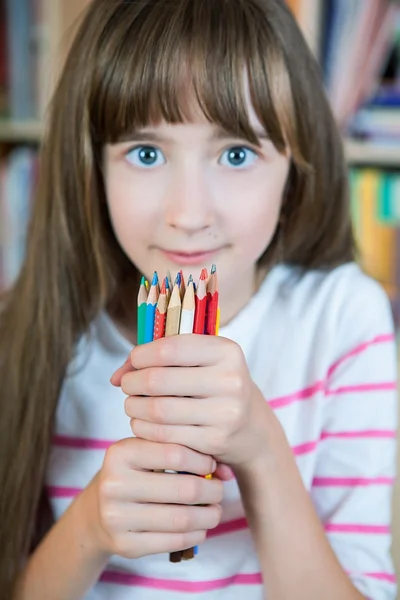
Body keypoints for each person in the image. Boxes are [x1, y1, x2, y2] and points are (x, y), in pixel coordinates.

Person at [0, 0, 397, 598]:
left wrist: (262, 451)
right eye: (146, 153)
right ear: (92, 167)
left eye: (237, 154)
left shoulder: (343, 319)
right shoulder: (39, 326)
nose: (188, 214)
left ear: (296, 166)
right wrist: (90, 527)